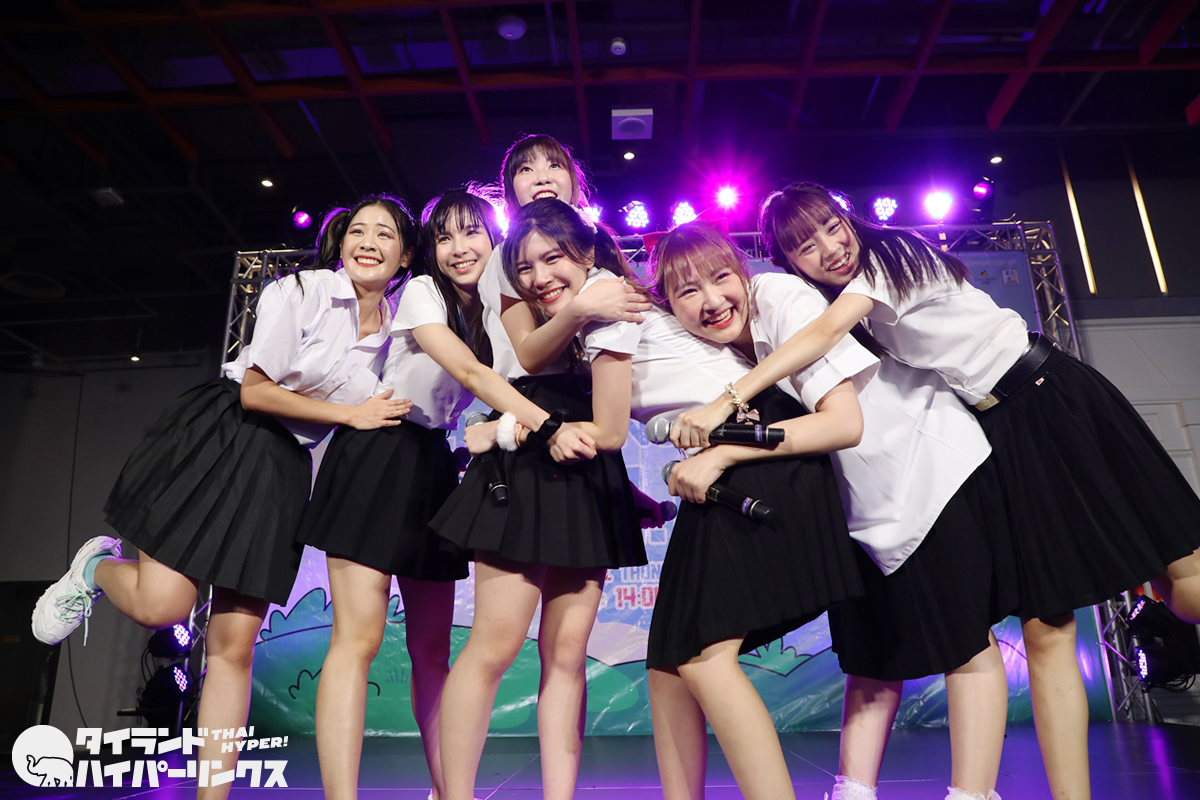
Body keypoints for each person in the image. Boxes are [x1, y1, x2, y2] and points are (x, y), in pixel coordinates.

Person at [675, 181, 1200, 800]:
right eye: (805, 246)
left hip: (1050, 396)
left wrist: (727, 402)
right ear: (788, 260)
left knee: (1182, 580)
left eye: (831, 227)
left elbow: (821, 334)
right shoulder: (844, 303)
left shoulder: (890, 255)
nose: (829, 248)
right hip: (1000, 427)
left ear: (849, 217)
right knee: (1047, 626)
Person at [32, 194, 418, 800]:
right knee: (163, 605)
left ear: (405, 255)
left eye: (385, 234)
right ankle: (96, 568)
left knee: (233, 648)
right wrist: (351, 415)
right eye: (357, 231)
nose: (368, 242)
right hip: (224, 436)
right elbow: (256, 392)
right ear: (341, 244)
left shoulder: (399, 332)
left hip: (284, 468)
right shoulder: (302, 291)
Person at [644, 223, 869, 799]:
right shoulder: (685, 342)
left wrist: (720, 452)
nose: (711, 300)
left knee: (702, 656)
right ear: (667, 304)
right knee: (668, 660)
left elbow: (844, 423)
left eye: (721, 277)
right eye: (687, 291)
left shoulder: (781, 298)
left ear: (744, 272)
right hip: (757, 472)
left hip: (794, 479)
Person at [432, 198, 647, 800]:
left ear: (586, 251)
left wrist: (626, 487)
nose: (538, 277)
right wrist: (512, 429)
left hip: (586, 464)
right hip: (526, 454)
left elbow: (610, 427)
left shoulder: (612, 296)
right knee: (494, 645)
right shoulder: (549, 302)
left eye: (553, 259)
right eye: (525, 267)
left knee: (568, 654)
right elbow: (526, 357)